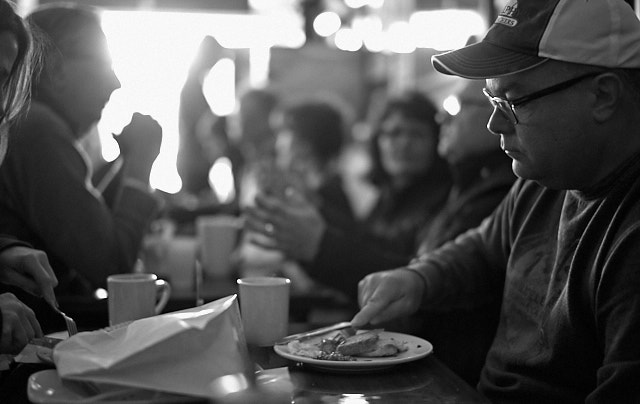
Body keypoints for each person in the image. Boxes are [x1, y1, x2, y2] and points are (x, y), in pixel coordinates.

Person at [352, 1, 640, 402]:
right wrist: (418, 280)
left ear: (603, 95)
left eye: (514, 101)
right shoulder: (546, 179)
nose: (495, 124)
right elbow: (484, 248)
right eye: (491, 101)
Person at [0, 4, 162, 313]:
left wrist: (125, 161)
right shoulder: (38, 130)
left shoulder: (35, 125)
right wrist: (140, 165)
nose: (116, 82)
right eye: (104, 64)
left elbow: (82, 223)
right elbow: (113, 267)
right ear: (56, 69)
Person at [245, 91, 452, 299]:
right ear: (377, 140)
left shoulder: (443, 202)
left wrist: (317, 243)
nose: (404, 143)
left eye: (416, 134)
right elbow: (362, 243)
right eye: (393, 133)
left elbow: (409, 273)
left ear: (437, 139)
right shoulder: (388, 198)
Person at [238, 98, 356, 278]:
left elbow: (332, 258)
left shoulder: (327, 193)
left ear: (304, 144)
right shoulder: (315, 188)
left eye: (283, 132)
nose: (277, 143)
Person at [0, 0, 60, 354]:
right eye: (102, 62)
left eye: (1, 78)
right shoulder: (41, 130)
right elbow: (108, 260)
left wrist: (4, 252)